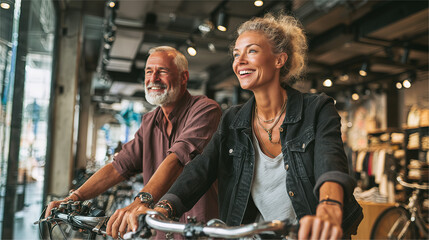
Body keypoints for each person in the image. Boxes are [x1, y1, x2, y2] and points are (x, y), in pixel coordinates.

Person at [129, 13, 363, 239]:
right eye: (236, 54)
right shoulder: (233, 120)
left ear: (279, 59)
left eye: (251, 51)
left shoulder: (316, 109)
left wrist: (329, 205)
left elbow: (330, 162)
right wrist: (164, 207)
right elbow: (200, 170)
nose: (239, 61)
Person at [45, 46, 222, 239]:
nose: (153, 79)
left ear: (183, 77)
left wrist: (142, 200)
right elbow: (118, 167)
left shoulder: (205, 109)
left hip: (198, 231)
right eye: (149, 71)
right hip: (161, 231)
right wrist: (74, 198)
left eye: (162, 71)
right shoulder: (150, 121)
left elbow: (178, 159)